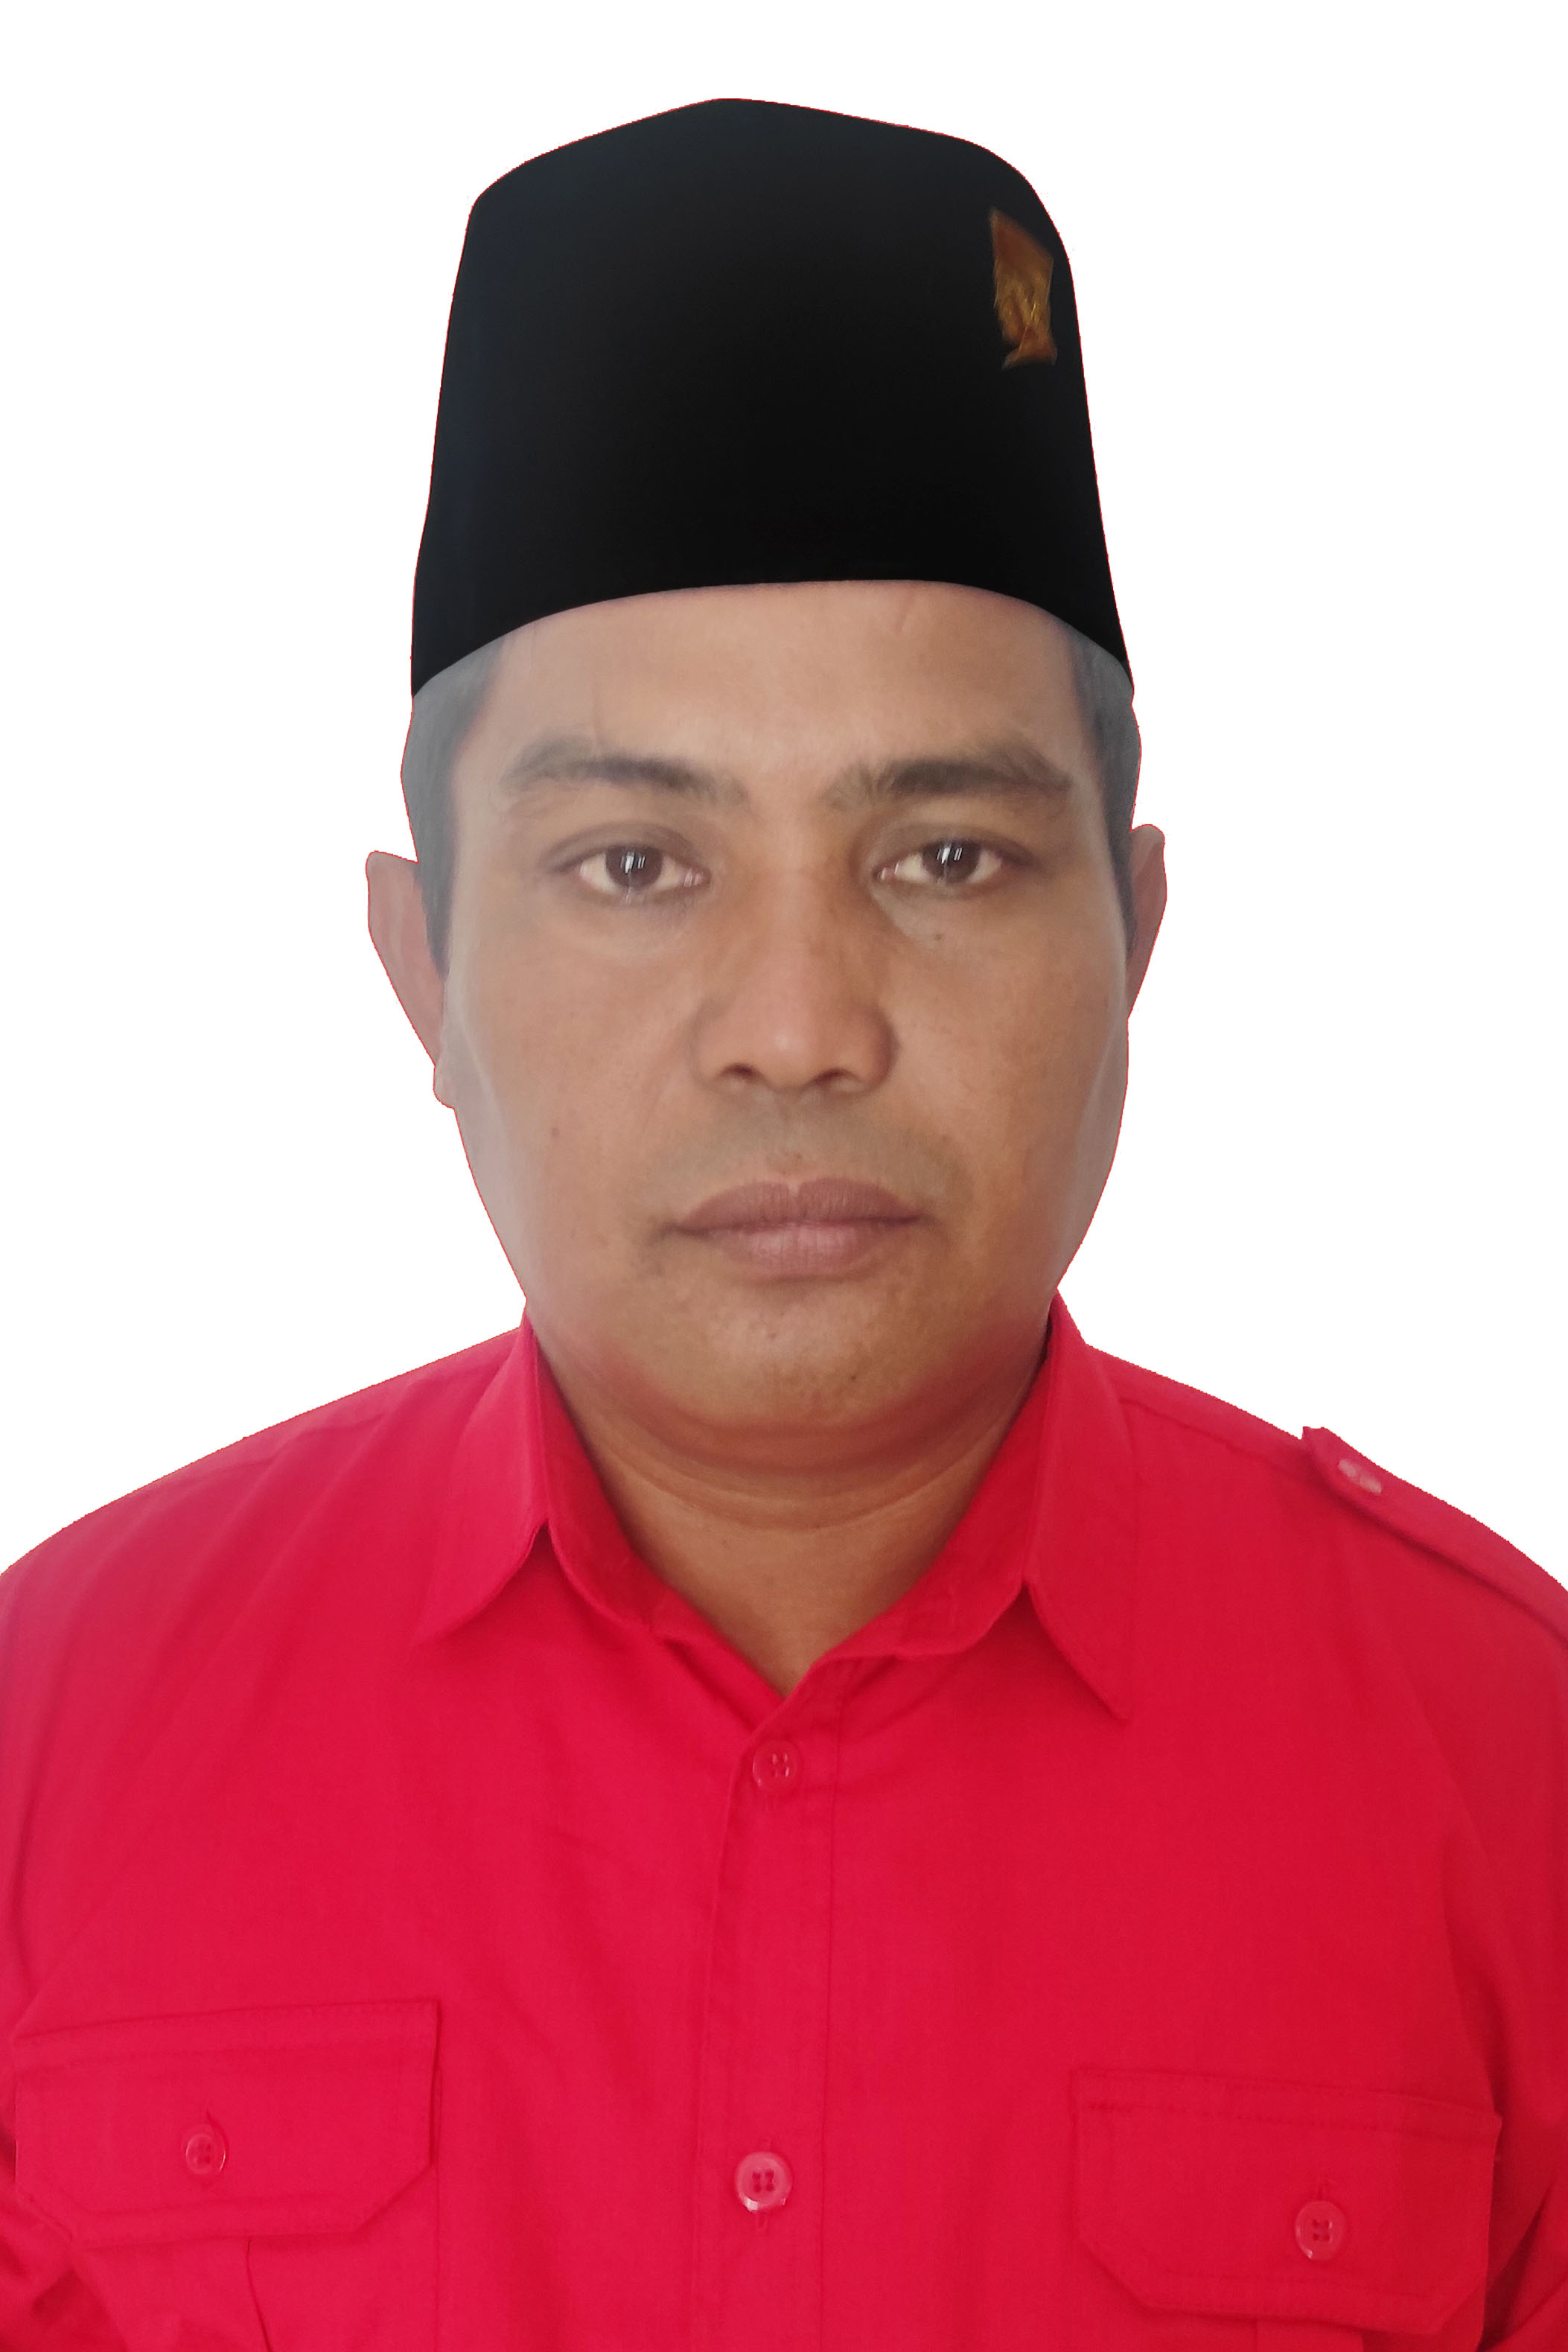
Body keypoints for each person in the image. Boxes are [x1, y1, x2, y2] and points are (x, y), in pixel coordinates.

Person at [1, 96, 1562, 2352]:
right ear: (419, 972)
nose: (802, 1029)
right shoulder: (57, 1747)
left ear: (1134, 936)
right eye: (637, 865)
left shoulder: (1503, 1768)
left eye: (944, 858)